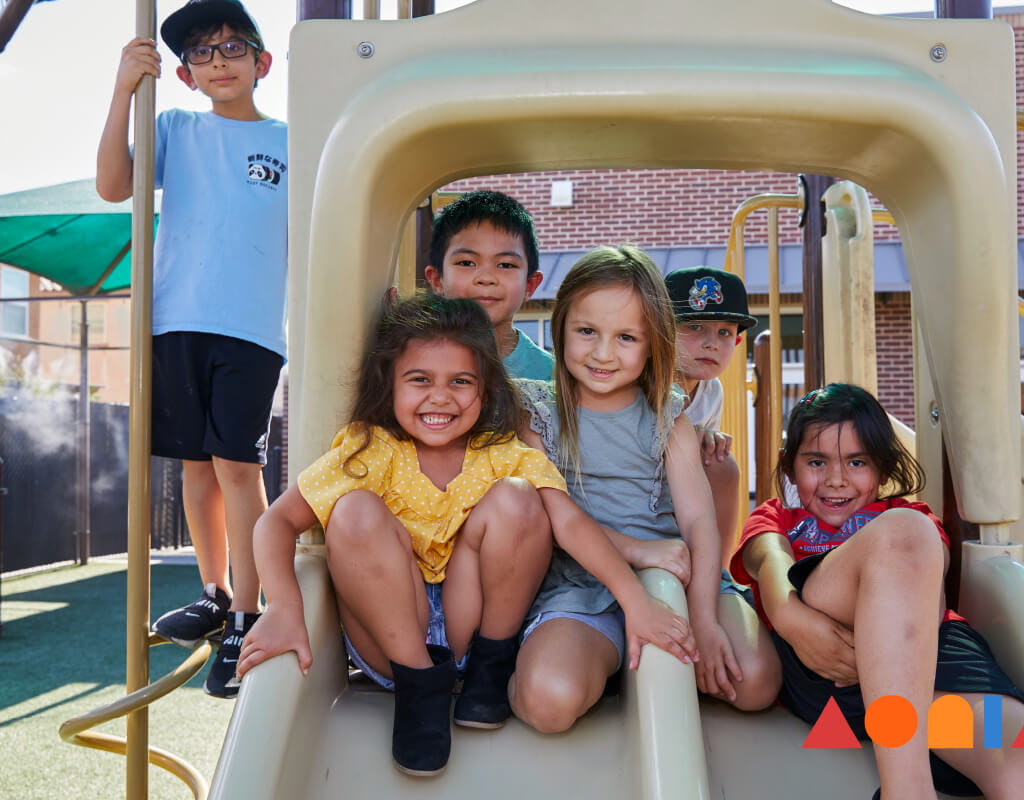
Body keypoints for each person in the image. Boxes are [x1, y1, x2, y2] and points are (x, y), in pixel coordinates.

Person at [237, 294, 697, 777]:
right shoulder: (369, 447)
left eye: (461, 382)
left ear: (486, 389)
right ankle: (420, 694)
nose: (441, 397)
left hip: (470, 625)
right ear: (388, 385)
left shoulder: (500, 451)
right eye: (419, 381)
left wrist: (635, 600)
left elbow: (568, 523)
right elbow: (276, 523)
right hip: (394, 637)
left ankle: (488, 672)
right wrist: (286, 610)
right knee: (352, 512)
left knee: (521, 498)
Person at [730, 383, 1024, 800]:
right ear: (790, 468)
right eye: (817, 461)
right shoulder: (780, 518)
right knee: (902, 536)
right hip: (831, 671)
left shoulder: (908, 516)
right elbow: (770, 563)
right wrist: (792, 619)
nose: (836, 479)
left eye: (857, 462)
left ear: (883, 469)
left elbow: (927, 600)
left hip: (927, 693)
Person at [95, 0, 287, 697]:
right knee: (196, 469)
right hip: (176, 319)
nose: (219, 60)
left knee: (237, 467)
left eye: (233, 47)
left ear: (262, 63)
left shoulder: (290, 142)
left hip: (251, 329)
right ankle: (212, 591)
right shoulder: (173, 126)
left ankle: (246, 613)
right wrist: (123, 88)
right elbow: (114, 185)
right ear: (183, 74)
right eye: (203, 53)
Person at [512, 245, 781, 734]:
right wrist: (637, 558)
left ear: (653, 341)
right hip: (583, 583)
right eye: (587, 331)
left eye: (626, 337)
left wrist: (703, 618)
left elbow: (699, 519)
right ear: (560, 328)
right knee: (548, 702)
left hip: (672, 577)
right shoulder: (538, 414)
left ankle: (640, 652)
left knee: (756, 682)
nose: (602, 353)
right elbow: (554, 519)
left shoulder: (667, 412)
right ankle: (585, 653)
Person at [664, 266, 758, 567]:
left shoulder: (711, 390)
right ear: (662, 330)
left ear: (737, 343)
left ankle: (717, 571)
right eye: (695, 327)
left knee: (720, 461)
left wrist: (706, 440)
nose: (712, 343)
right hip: (634, 504)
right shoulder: (644, 385)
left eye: (724, 332)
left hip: (682, 500)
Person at [424, 190, 554, 381]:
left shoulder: (552, 376)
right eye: (467, 263)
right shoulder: (414, 361)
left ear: (529, 285)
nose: (486, 278)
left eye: (505, 265)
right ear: (437, 279)